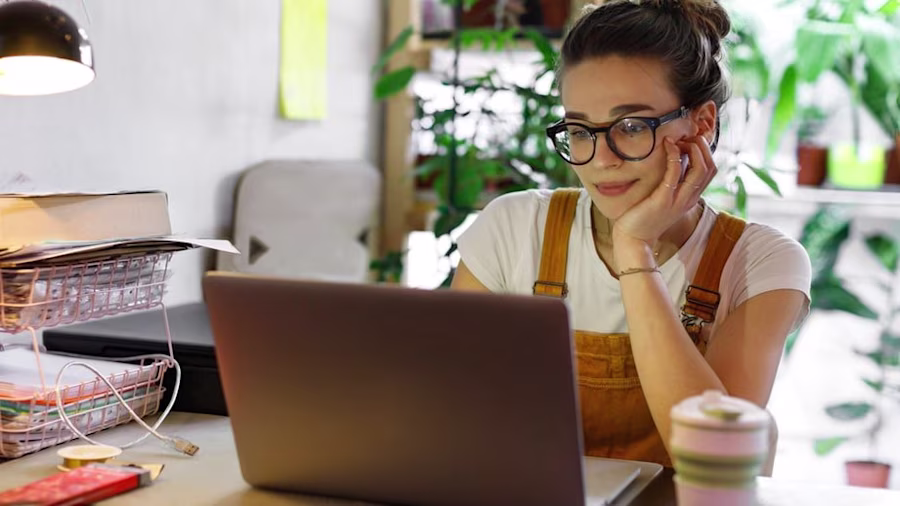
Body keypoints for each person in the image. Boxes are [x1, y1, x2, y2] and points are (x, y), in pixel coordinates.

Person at [451, 0, 811, 468]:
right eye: (580, 130)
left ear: (701, 123)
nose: (601, 159)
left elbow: (718, 458)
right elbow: (453, 416)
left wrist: (634, 249)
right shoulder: (514, 228)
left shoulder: (761, 262)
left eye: (631, 126)